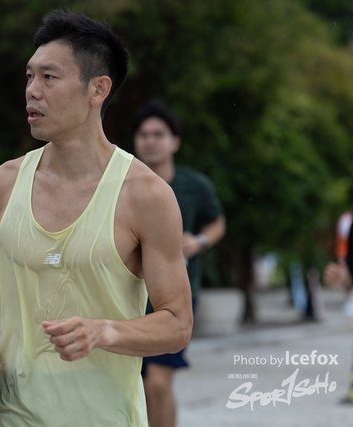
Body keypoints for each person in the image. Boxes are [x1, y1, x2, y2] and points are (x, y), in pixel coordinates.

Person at [0, 10, 193, 426]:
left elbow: (177, 324)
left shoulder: (146, 195)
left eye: (49, 77)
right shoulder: (2, 184)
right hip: (13, 416)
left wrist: (103, 331)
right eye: (29, 76)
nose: (32, 91)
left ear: (97, 89)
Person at [132, 99, 226, 427]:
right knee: (138, 385)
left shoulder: (194, 185)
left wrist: (199, 241)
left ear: (175, 142)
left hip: (176, 297)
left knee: (158, 383)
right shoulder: (122, 184)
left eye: (158, 134)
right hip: (130, 298)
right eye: (143, 134)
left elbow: (217, 222)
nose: (150, 141)